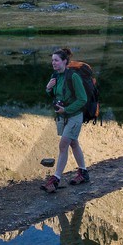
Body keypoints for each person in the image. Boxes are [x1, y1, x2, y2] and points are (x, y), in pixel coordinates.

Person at [41, 47, 89, 192]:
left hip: (74, 116)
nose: (53, 63)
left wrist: (67, 110)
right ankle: (83, 173)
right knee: (73, 143)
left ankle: (55, 179)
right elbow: (57, 96)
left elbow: (83, 99)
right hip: (63, 117)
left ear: (64, 61)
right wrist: (48, 89)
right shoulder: (55, 76)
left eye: (56, 60)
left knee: (63, 145)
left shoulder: (73, 77)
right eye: (52, 61)